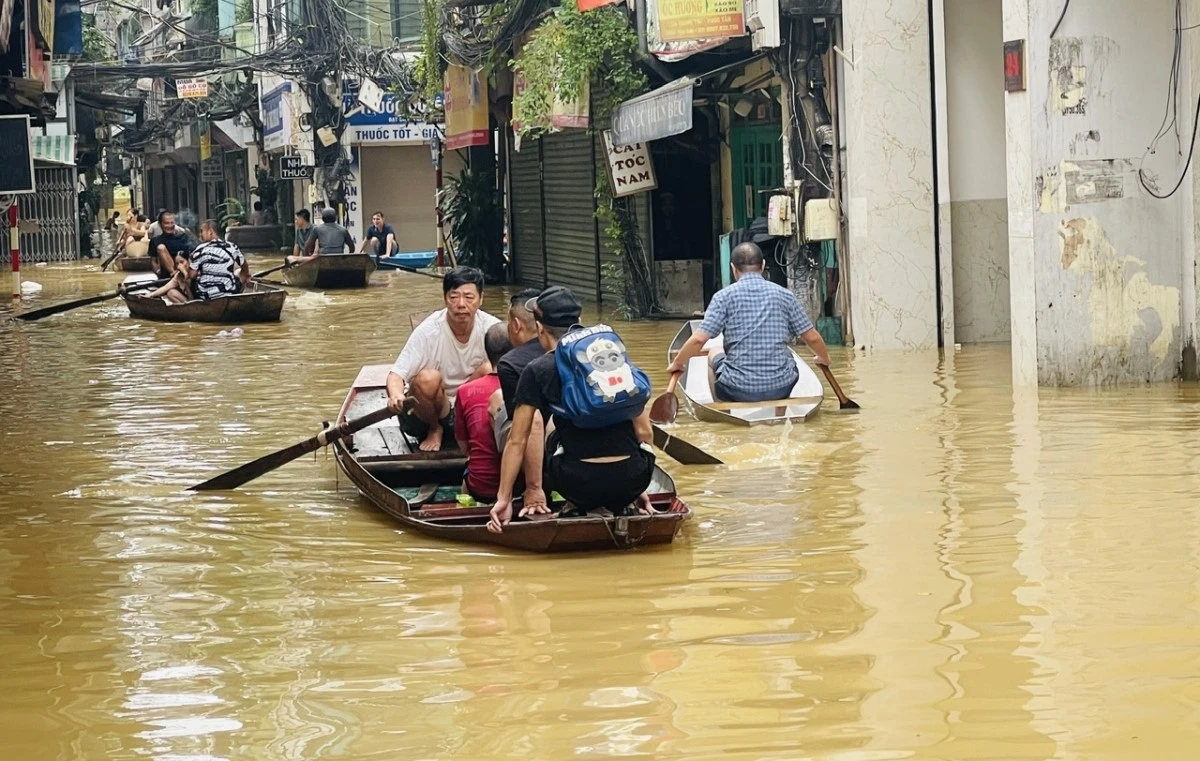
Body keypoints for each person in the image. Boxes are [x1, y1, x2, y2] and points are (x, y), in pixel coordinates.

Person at [487, 286, 657, 534]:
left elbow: (517, 440)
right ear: (579, 322)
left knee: (551, 422)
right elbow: (645, 432)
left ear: (540, 329)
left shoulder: (537, 370)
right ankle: (621, 501)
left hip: (577, 483)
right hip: (632, 478)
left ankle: (575, 504)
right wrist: (638, 488)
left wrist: (503, 499)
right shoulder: (613, 358)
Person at [667, 241, 832, 403]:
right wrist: (824, 358)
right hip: (781, 387)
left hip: (736, 389)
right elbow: (812, 338)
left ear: (733, 269)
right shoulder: (785, 295)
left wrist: (678, 363)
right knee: (788, 353)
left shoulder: (723, 297)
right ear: (763, 265)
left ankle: (722, 406)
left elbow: (698, 340)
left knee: (713, 352)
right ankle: (779, 410)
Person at [385, 266, 501, 452]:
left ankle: (475, 430)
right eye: (454, 297)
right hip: (432, 411)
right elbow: (396, 375)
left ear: (481, 299)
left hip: (469, 405)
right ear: (445, 299)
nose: (461, 304)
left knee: (491, 369)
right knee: (427, 379)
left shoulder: (492, 328)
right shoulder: (429, 330)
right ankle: (435, 429)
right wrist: (396, 395)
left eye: (468, 297)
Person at [454, 325, 512, 502]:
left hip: (481, 487)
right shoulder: (529, 383)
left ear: (487, 354)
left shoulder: (464, 391)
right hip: (521, 487)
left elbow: (464, 448)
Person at [144, 220, 249, 304]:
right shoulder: (232, 246)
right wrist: (245, 277)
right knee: (239, 272)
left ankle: (192, 307)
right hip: (230, 292)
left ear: (210, 232)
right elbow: (245, 268)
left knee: (173, 291)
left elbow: (192, 275)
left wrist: (184, 273)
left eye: (202, 231)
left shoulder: (200, 249)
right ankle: (237, 298)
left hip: (206, 296)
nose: (200, 235)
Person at [287, 208, 354, 266]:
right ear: (335, 217)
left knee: (290, 258)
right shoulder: (343, 229)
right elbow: (352, 248)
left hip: (322, 259)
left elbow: (307, 246)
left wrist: (308, 258)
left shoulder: (317, 229)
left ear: (323, 218)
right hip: (339, 259)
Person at [149, 211, 194, 277]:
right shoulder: (155, 240)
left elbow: (191, 255)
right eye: (166, 223)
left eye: (172, 223)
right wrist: (158, 272)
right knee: (161, 247)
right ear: (160, 224)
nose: (170, 226)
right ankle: (175, 276)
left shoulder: (183, 237)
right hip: (168, 276)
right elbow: (153, 261)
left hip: (184, 273)